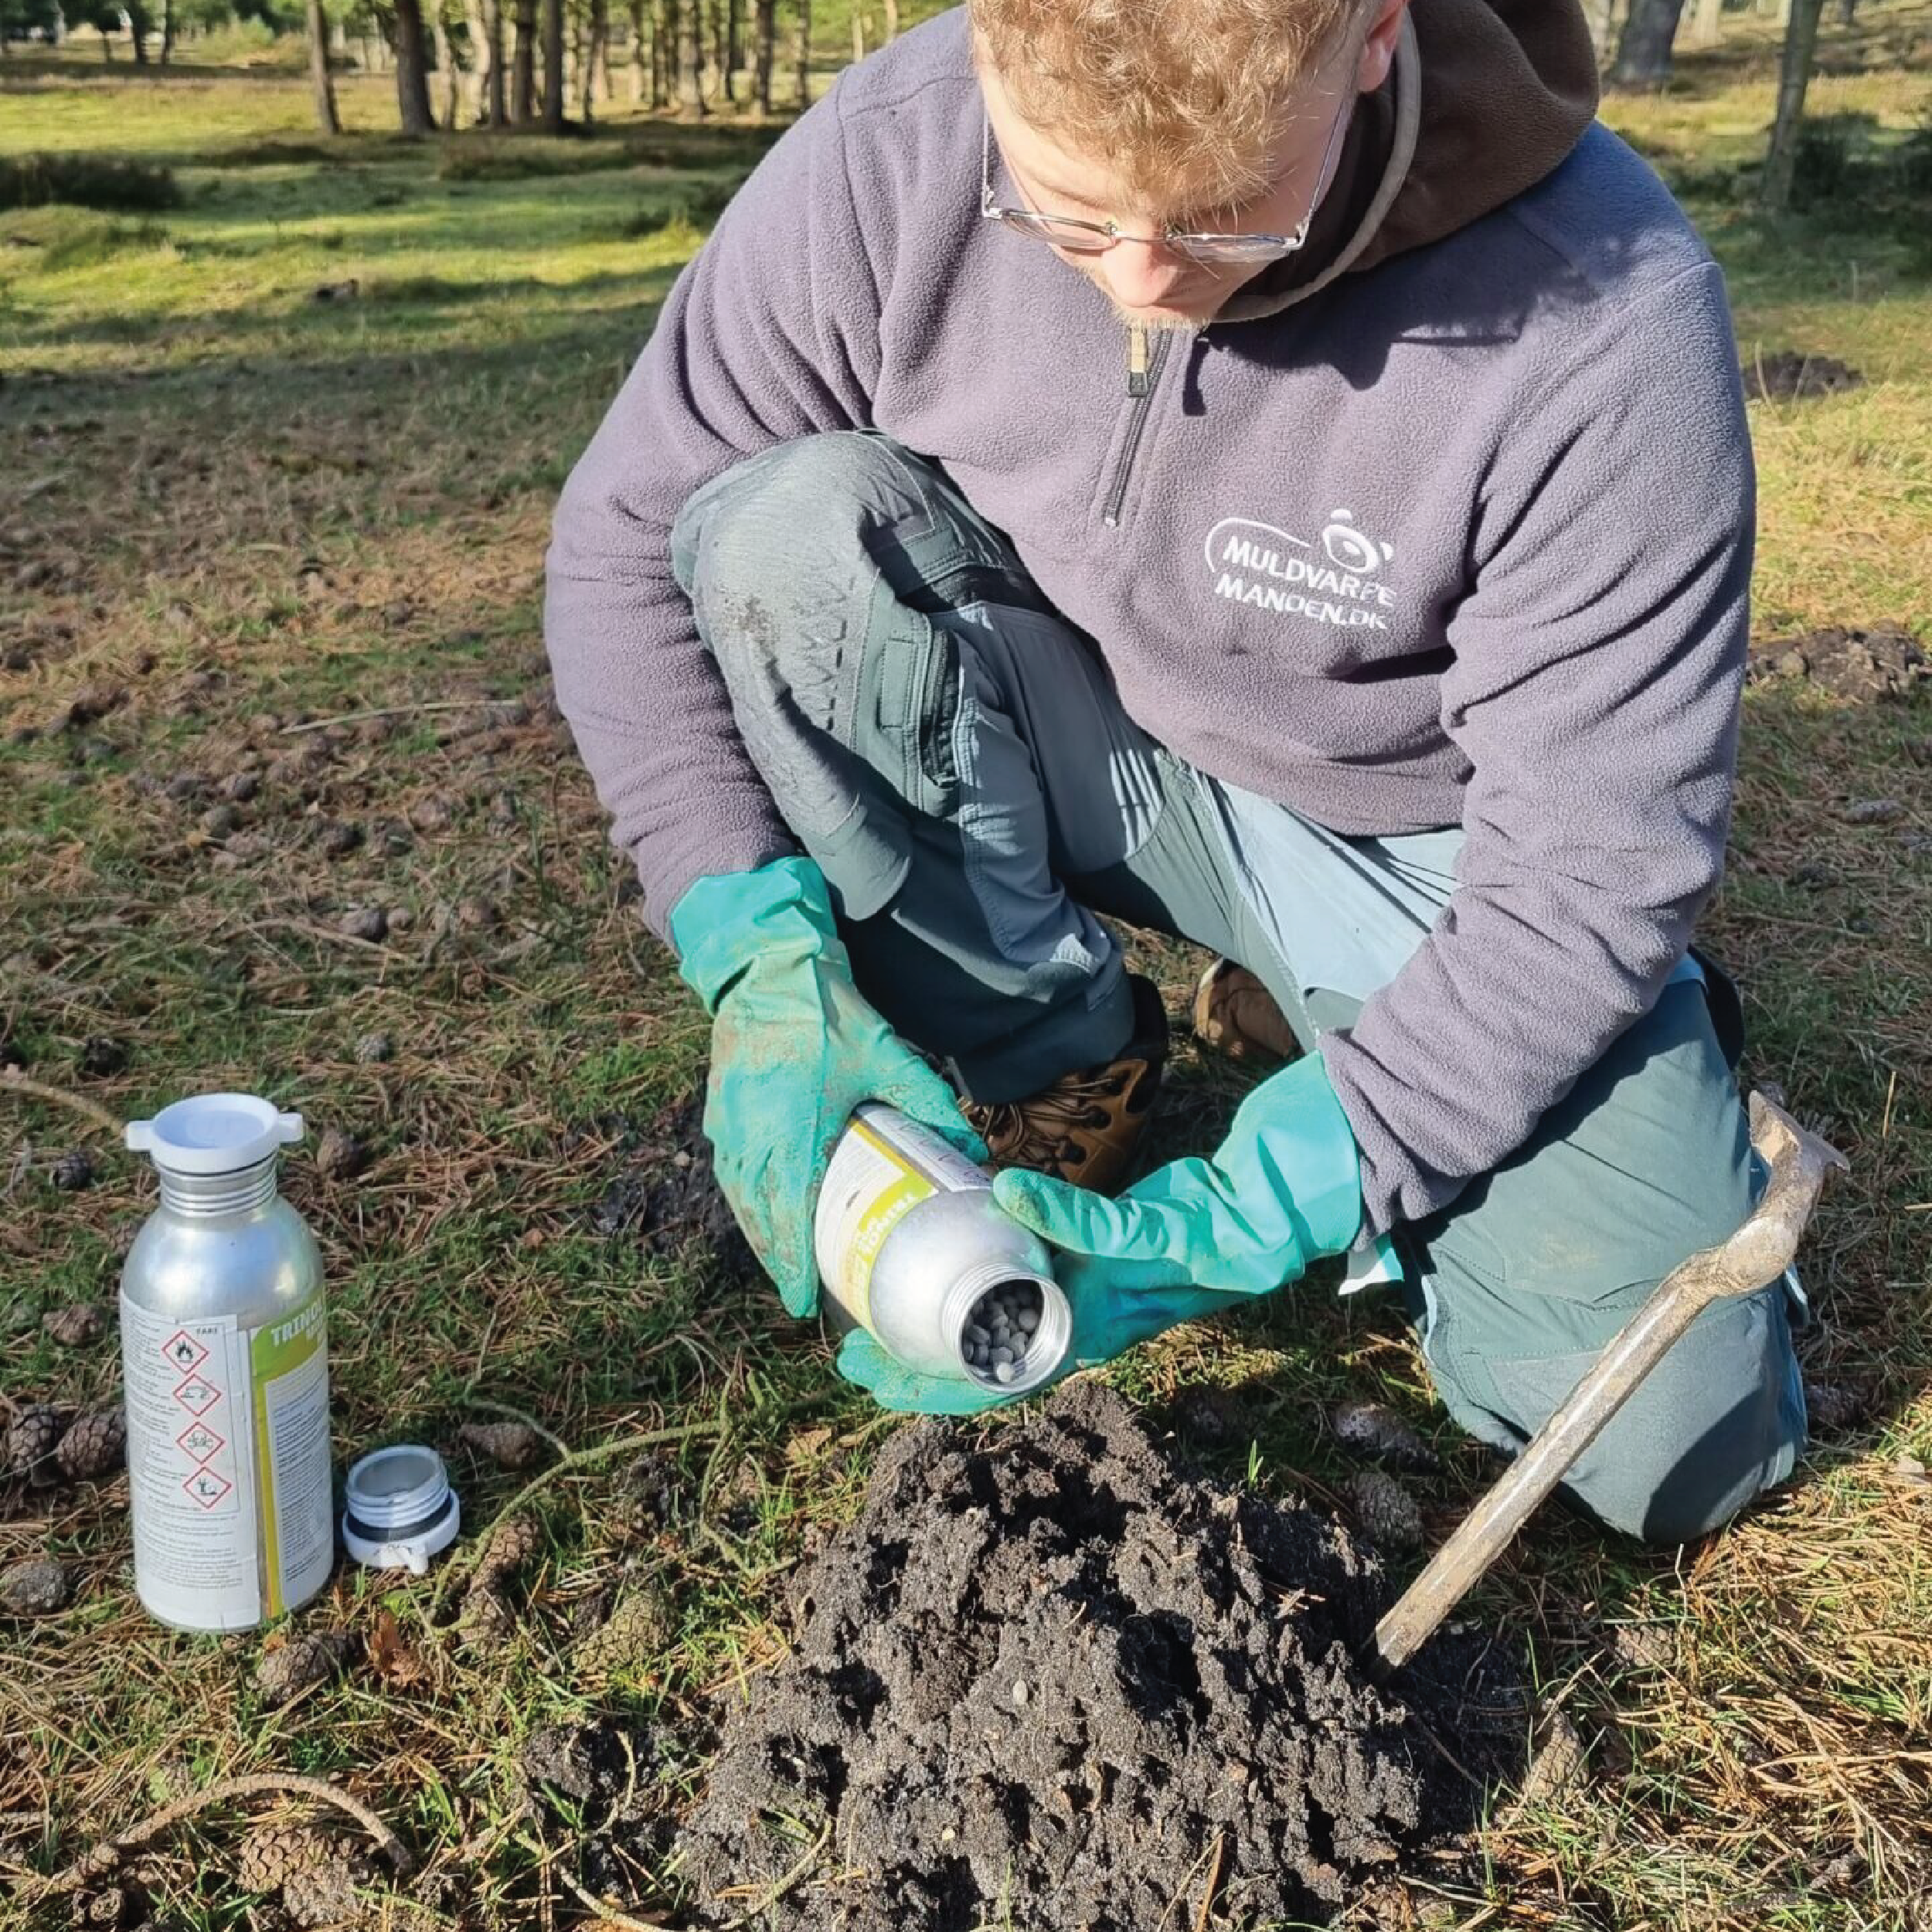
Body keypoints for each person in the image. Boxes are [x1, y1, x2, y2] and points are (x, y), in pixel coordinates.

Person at [546, 0, 1808, 1543]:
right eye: (1069, 216)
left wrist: (1288, 1184)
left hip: (1419, 842)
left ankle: (1387, 1031)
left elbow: (1592, 868)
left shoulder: (1602, 311)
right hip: (1080, 725)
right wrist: (747, 941)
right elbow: (625, 539)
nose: (1145, 283)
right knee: (786, 540)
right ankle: (1057, 1054)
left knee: (1677, 1436)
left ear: (1371, 38)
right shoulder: (899, 148)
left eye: (1224, 220)